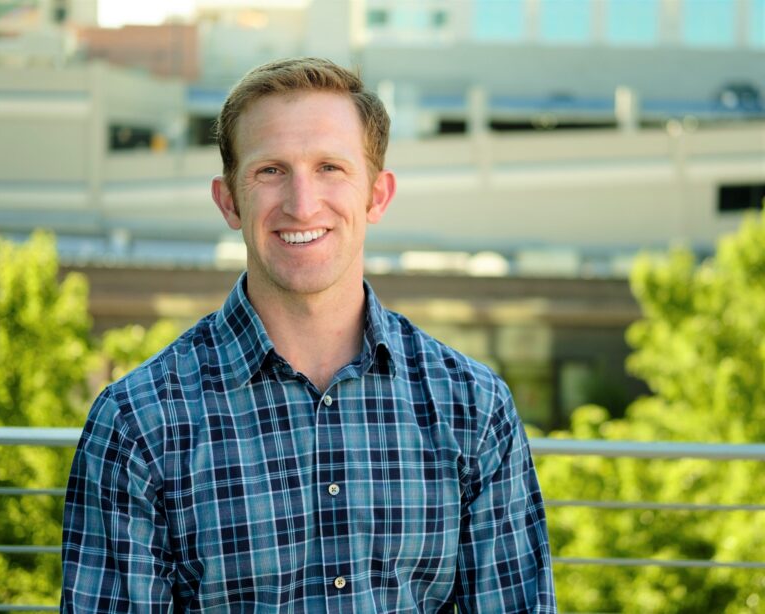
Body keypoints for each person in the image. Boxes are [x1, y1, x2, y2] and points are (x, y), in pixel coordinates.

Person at [62, 57, 556, 613]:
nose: (302, 204)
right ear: (228, 200)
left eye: (330, 168)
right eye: (271, 170)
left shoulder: (473, 406)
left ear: (377, 195)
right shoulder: (137, 424)